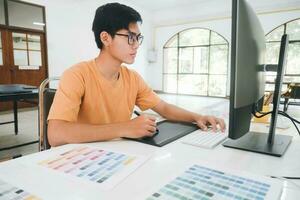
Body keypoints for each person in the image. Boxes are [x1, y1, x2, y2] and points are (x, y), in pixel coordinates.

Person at [47, 2, 225, 147]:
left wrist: (197, 117)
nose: (136, 45)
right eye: (130, 37)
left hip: (119, 153)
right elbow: (55, 134)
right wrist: (124, 128)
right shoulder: (77, 75)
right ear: (105, 38)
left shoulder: (132, 78)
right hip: (81, 157)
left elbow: (163, 108)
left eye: (138, 38)